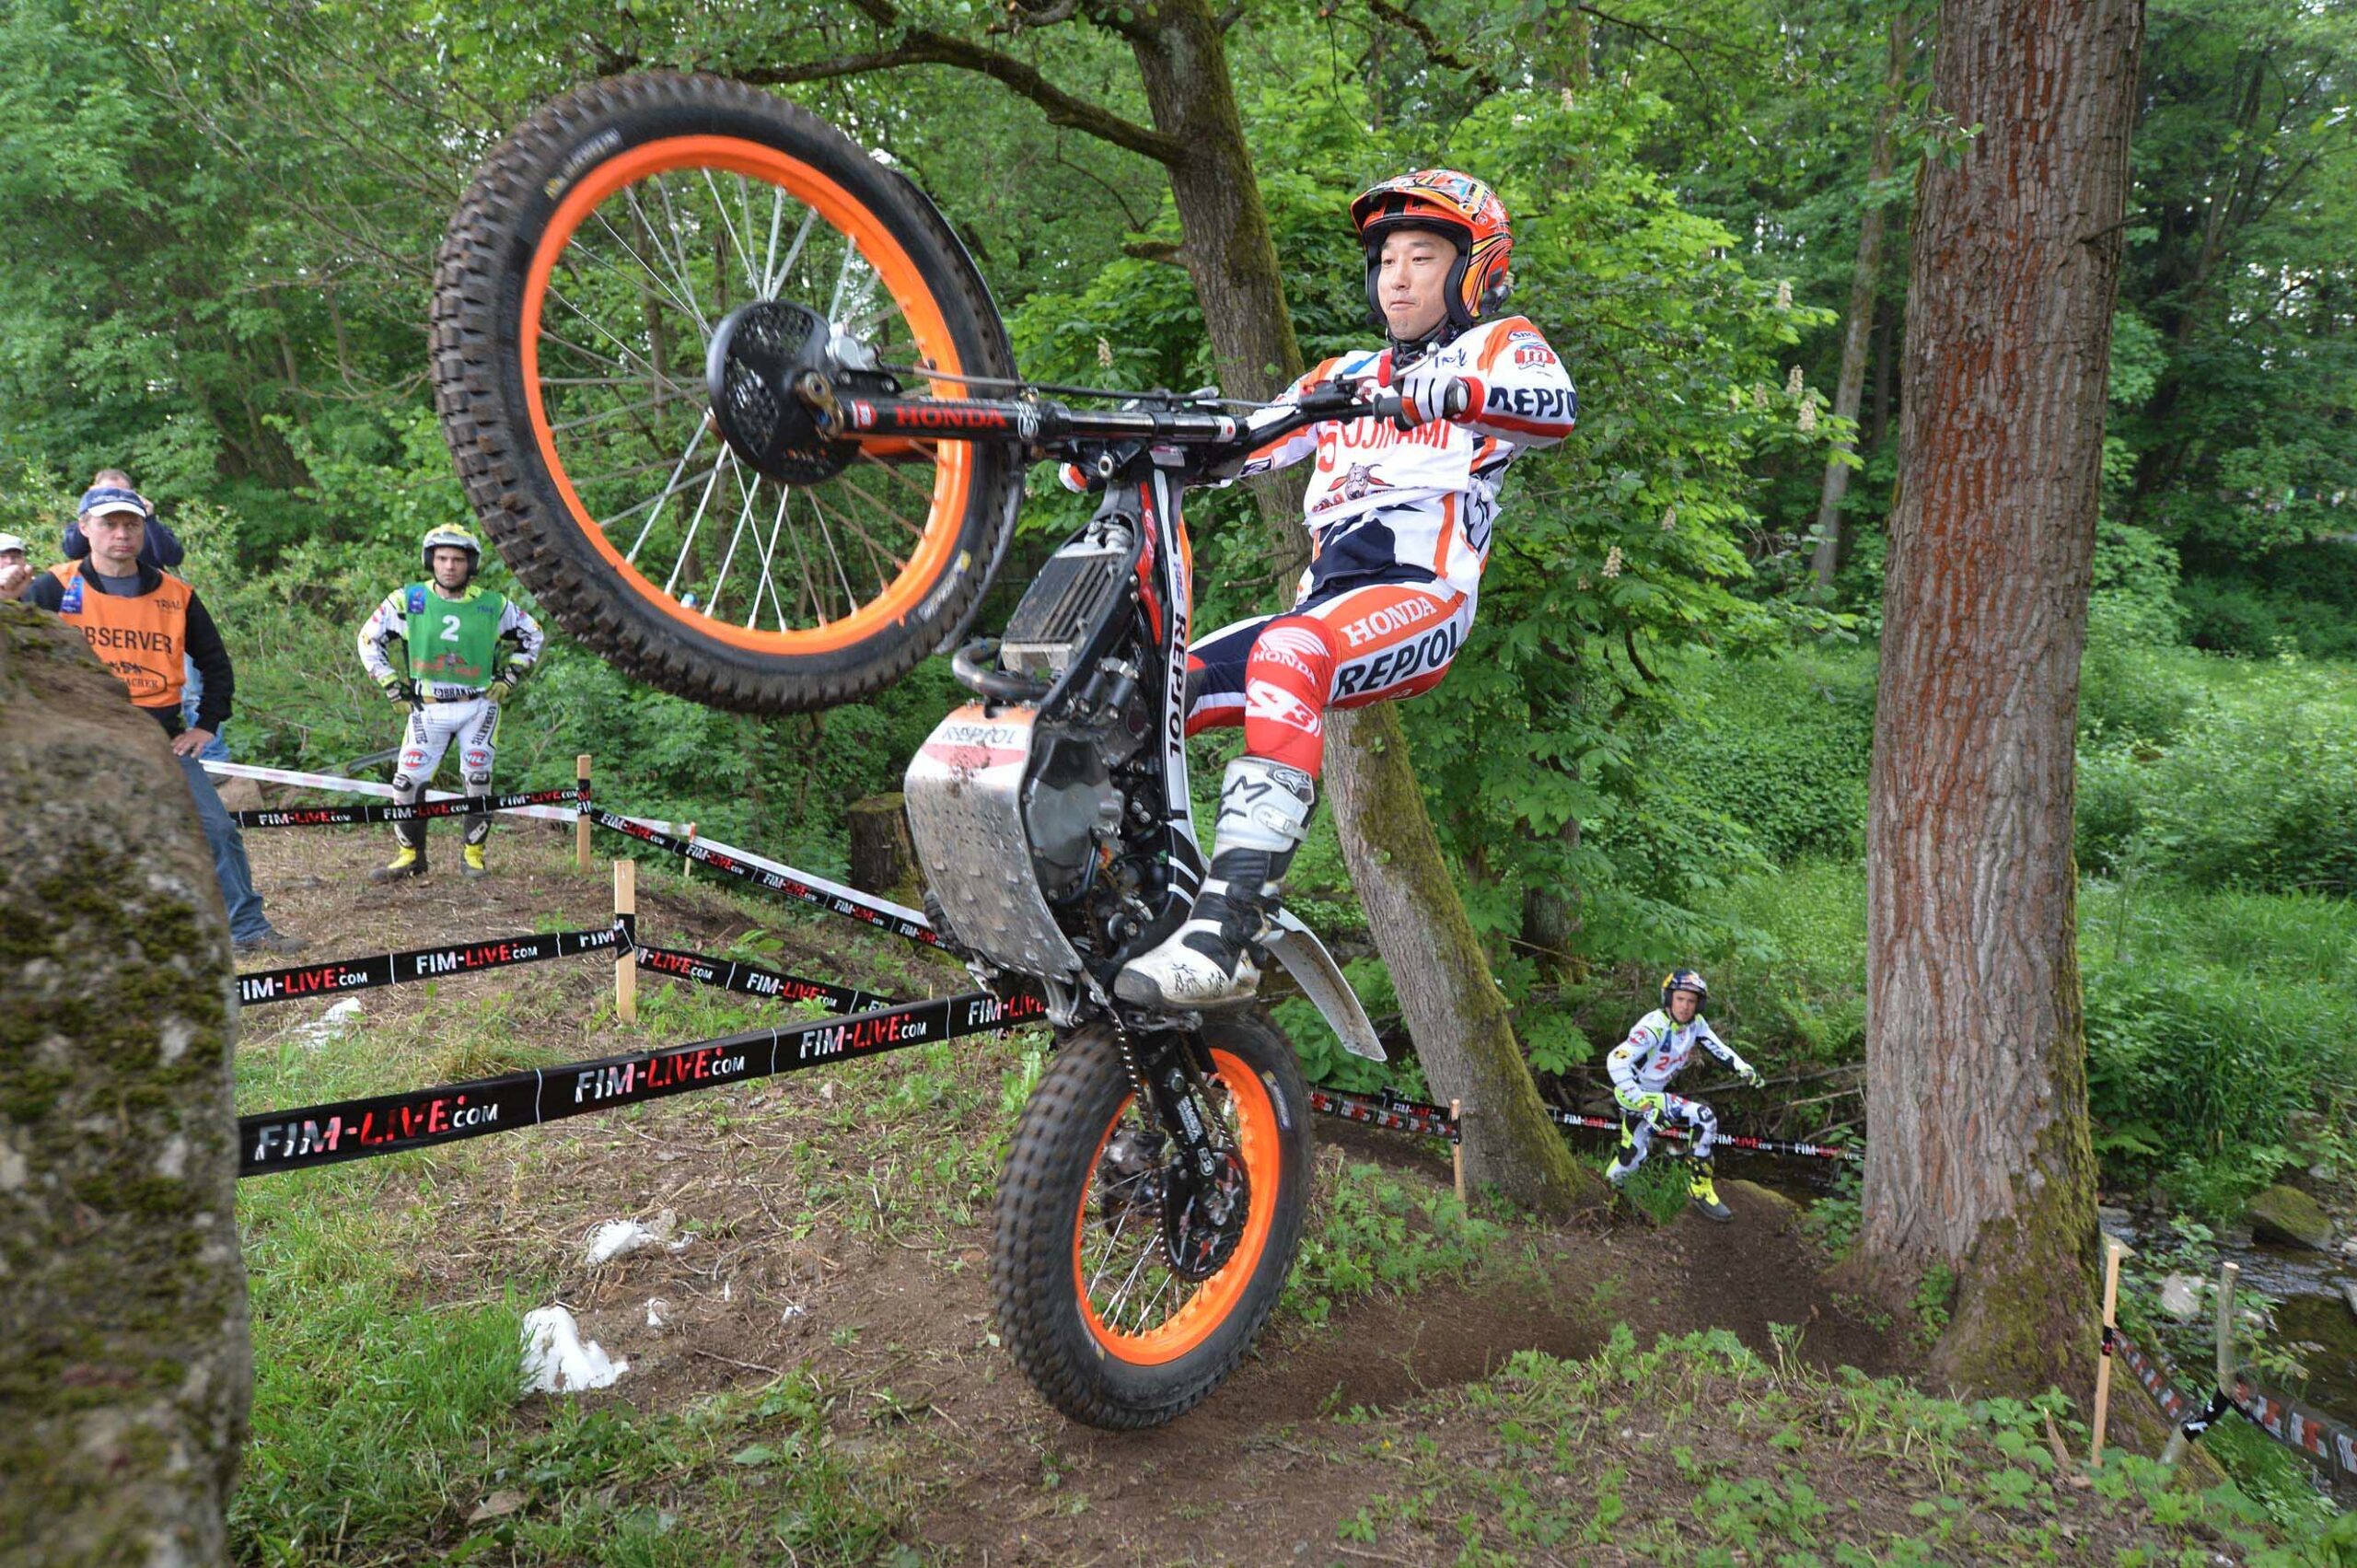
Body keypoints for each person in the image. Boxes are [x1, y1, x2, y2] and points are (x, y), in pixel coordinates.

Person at [1117, 169, 1578, 1009]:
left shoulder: (1497, 344)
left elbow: (1554, 404)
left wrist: (1450, 390)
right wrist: (1134, 442)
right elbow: (1242, 440)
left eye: (1423, 257)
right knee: (1145, 687)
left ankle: (1235, 928)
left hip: (1424, 594)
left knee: (1291, 652)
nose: (1397, 276)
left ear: (1474, 270)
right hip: (1322, 609)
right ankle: (1123, 895)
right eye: (1387, 259)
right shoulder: (1344, 373)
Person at [0, 491, 306, 955]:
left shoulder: (175, 594)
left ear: (144, 531)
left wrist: (207, 724)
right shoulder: (55, 587)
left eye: (132, 525)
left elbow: (215, 663)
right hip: (83, 733)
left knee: (215, 830)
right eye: (109, 525)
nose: (121, 535)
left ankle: (246, 928)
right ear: (84, 529)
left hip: (160, 733)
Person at [355, 524, 544, 882]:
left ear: (470, 564)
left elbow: (533, 634)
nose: (449, 566)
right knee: (406, 782)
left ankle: (473, 856)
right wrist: (389, 683)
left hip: (479, 704)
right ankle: (410, 857)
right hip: (427, 706)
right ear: (431, 561)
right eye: (442, 558)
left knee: (477, 778)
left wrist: (510, 677)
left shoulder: (494, 604)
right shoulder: (408, 599)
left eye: (458, 559)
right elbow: (368, 638)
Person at [1604, 970, 1763, 1223]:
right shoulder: (1653, 1026)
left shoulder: (1696, 1024)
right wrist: (1644, 1104)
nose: (1685, 1007)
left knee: (1632, 1153)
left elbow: (1717, 1046)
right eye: (1680, 999)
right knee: (1704, 1118)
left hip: (1653, 1094)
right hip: (1636, 1094)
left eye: (1691, 1001)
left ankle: (1606, 1195)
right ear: (1668, 999)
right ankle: (1699, 1189)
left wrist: (1742, 1067)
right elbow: (1615, 1062)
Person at [61, 471, 185, 572]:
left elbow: (172, 559)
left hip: (147, 592)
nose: (116, 497)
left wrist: (150, 519)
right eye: (107, 493)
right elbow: (73, 551)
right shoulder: (86, 526)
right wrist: (89, 508)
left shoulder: (150, 527)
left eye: (123, 493)